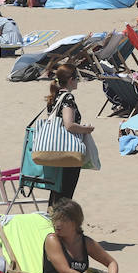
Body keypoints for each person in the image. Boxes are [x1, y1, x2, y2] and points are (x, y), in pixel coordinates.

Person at [44, 65, 94, 203]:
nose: (78, 81)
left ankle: (53, 219)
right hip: (67, 150)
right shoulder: (67, 98)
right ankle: (60, 221)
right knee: (65, 193)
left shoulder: (55, 96)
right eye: (77, 78)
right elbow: (69, 125)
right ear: (71, 80)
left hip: (53, 148)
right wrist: (86, 130)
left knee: (56, 191)